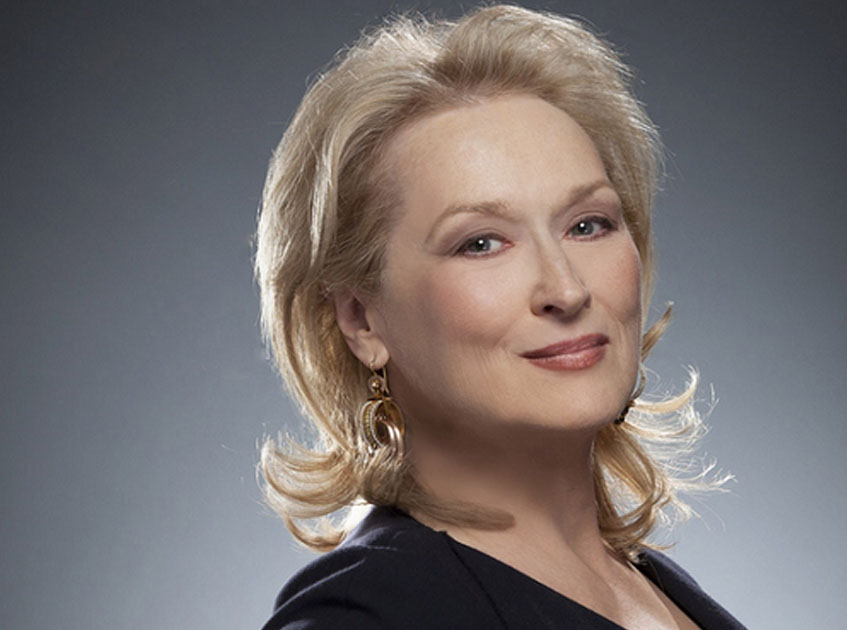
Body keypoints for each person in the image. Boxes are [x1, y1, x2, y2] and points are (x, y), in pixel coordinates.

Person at [254, 5, 744, 629]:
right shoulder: (369, 614)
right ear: (360, 321)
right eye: (481, 243)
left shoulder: (648, 581)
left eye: (587, 225)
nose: (566, 289)